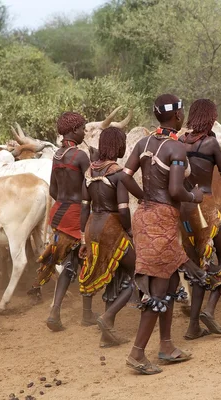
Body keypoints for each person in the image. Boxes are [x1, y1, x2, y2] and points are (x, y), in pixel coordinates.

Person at [121, 94, 207, 375]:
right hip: (162, 220)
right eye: (181, 112)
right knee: (158, 291)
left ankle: (167, 346)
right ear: (178, 116)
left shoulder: (143, 143)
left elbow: (124, 176)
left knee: (170, 282)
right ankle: (136, 354)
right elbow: (175, 191)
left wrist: (143, 196)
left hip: (144, 217)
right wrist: (194, 196)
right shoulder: (175, 149)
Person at [26, 112, 97, 331]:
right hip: (77, 215)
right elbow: (92, 187)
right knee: (87, 259)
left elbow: (54, 190)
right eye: (82, 128)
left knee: (70, 262)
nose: (84, 132)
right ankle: (85, 314)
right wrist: (95, 161)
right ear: (74, 130)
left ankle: (56, 311)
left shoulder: (56, 156)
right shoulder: (81, 157)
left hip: (59, 213)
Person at [79, 126, 144, 348]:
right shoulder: (117, 173)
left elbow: (84, 208)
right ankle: (107, 318)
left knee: (112, 277)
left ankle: (107, 336)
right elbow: (124, 210)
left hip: (92, 229)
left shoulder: (89, 172)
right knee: (138, 273)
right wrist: (130, 232)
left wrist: (82, 238)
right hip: (111, 228)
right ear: (118, 145)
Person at [179, 99, 221, 340]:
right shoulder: (211, 143)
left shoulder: (180, 142)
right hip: (205, 206)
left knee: (197, 266)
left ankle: (193, 327)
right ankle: (210, 310)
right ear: (211, 118)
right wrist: (216, 153)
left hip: (183, 208)